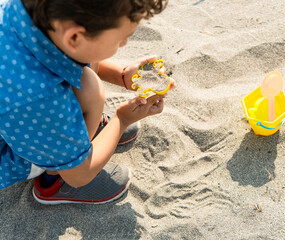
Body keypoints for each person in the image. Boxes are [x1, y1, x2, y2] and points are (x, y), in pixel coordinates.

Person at [0, 0, 174, 204]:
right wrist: (122, 119)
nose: (124, 44)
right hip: (10, 154)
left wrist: (123, 76)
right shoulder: (40, 97)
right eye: (120, 39)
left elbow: (79, 54)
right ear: (74, 36)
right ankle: (53, 181)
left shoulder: (24, 11)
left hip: (15, 114)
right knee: (92, 91)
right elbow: (79, 175)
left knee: (88, 76)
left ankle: (76, 134)